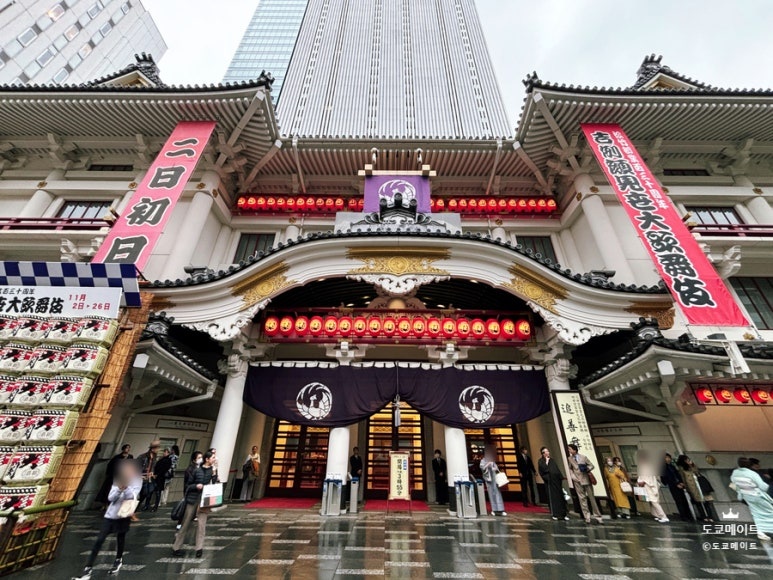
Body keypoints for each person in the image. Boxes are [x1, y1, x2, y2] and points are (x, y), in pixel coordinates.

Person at [72, 460, 142, 579]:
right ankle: (88, 569)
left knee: (120, 538)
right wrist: (119, 489)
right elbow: (111, 497)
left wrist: (126, 488)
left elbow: (133, 495)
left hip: (124, 514)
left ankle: (118, 559)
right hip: (111, 515)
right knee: (99, 540)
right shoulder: (118, 478)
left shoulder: (137, 480)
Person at [173, 450, 216, 558]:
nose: (214, 460)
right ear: (207, 459)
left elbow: (215, 485)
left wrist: (214, 474)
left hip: (204, 501)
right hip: (193, 500)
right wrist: (196, 486)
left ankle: (199, 548)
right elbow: (188, 485)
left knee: (202, 525)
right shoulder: (197, 471)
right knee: (186, 523)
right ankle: (176, 547)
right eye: (213, 458)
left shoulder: (213, 470)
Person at [731, 457, 773, 541]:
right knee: (770, 512)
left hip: (747, 497)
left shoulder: (735, 473)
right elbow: (763, 487)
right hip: (757, 496)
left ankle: (760, 532)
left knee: (756, 514)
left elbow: (736, 486)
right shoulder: (752, 473)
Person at [566, 444, 603, 525]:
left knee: (592, 498)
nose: (569, 450)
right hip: (577, 481)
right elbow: (570, 468)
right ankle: (587, 516)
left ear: (574, 450)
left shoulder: (583, 457)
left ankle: (598, 516)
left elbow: (591, 465)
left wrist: (587, 469)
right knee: (582, 499)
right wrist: (573, 477)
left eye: (570, 449)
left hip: (586, 479)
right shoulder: (570, 459)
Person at [676, 454, 717, 523]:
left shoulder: (691, 466)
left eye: (688, 459)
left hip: (700, 484)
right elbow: (683, 479)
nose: (688, 461)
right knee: (698, 502)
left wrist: (692, 465)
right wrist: (686, 488)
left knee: (706, 501)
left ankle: (710, 516)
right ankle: (703, 516)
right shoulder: (681, 469)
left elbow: (697, 472)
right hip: (692, 486)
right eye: (686, 460)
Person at [636, 450, 669, 523]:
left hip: (650, 486)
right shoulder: (644, 466)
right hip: (648, 485)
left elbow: (648, 477)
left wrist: (643, 481)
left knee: (654, 502)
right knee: (652, 501)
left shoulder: (647, 466)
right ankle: (657, 515)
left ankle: (663, 516)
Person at [538, 447, 568, 520]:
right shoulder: (541, 461)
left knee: (560, 497)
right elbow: (543, 470)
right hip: (550, 482)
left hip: (556, 481)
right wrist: (547, 462)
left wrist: (561, 477)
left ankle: (563, 514)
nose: (547, 453)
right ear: (542, 453)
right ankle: (555, 514)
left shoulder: (552, 460)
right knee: (553, 498)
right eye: (545, 452)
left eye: (547, 451)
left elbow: (556, 469)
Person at [660, 453, 692, 521]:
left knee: (684, 500)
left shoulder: (672, 466)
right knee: (679, 501)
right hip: (673, 486)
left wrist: (681, 482)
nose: (668, 459)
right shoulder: (663, 468)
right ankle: (683, 516)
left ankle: (689, 515)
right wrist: (676, 484)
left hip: (680, 485)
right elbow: (666, 478)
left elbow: (678, 475)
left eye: (669, 457)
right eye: (666, 458)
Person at [177, 451, 203, 531]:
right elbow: (188, 483)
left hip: (197, 493)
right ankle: (180, 523)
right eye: (199, 458)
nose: (201, 459)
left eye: (201, 457)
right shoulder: (190, 469)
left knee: (192, 509)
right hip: (191, 492)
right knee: (186, 509)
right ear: (194, 460)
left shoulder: (200, 468)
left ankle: (186, 522)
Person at [480, 443, 506, 516]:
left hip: (495, 479)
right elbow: (482, 468)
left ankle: (501, 509)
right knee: (491, 494)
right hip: (489, 480)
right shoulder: (483, 460)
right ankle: (494, 509)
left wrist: (494, 468)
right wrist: (488, 464)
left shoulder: (492, 460)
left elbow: (496, 468)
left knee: (498, 493)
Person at [137, 440, 160, 511]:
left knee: (144, 494)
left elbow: (153, 467)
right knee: (136, 495)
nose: (158, 450)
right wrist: (140, 474)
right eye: (157, 448)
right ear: (153, 449)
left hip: (147, 479)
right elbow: (136, 467)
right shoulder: (143, 456)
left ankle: (134, 510)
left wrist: (152, 472)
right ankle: (131, 511)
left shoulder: (154, 457)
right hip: (140, 477)